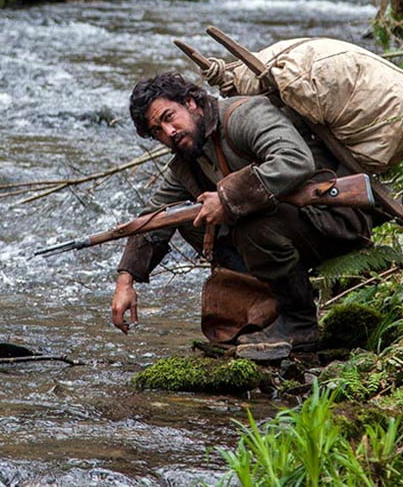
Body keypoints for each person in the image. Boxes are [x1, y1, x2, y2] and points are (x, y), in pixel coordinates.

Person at [110, 71, 377, 360]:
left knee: (251, 224)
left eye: (168, 117)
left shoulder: (242, 116)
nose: (169, 132)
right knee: (189, 219)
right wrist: (126, 281)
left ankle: (300, 325)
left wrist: (227, 198)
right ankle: (268, 311)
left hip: (335, 219)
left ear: (190, 103)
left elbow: (294, 159)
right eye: (157, 131)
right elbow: (156, 217)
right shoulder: (190, 159)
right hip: (295, 229)